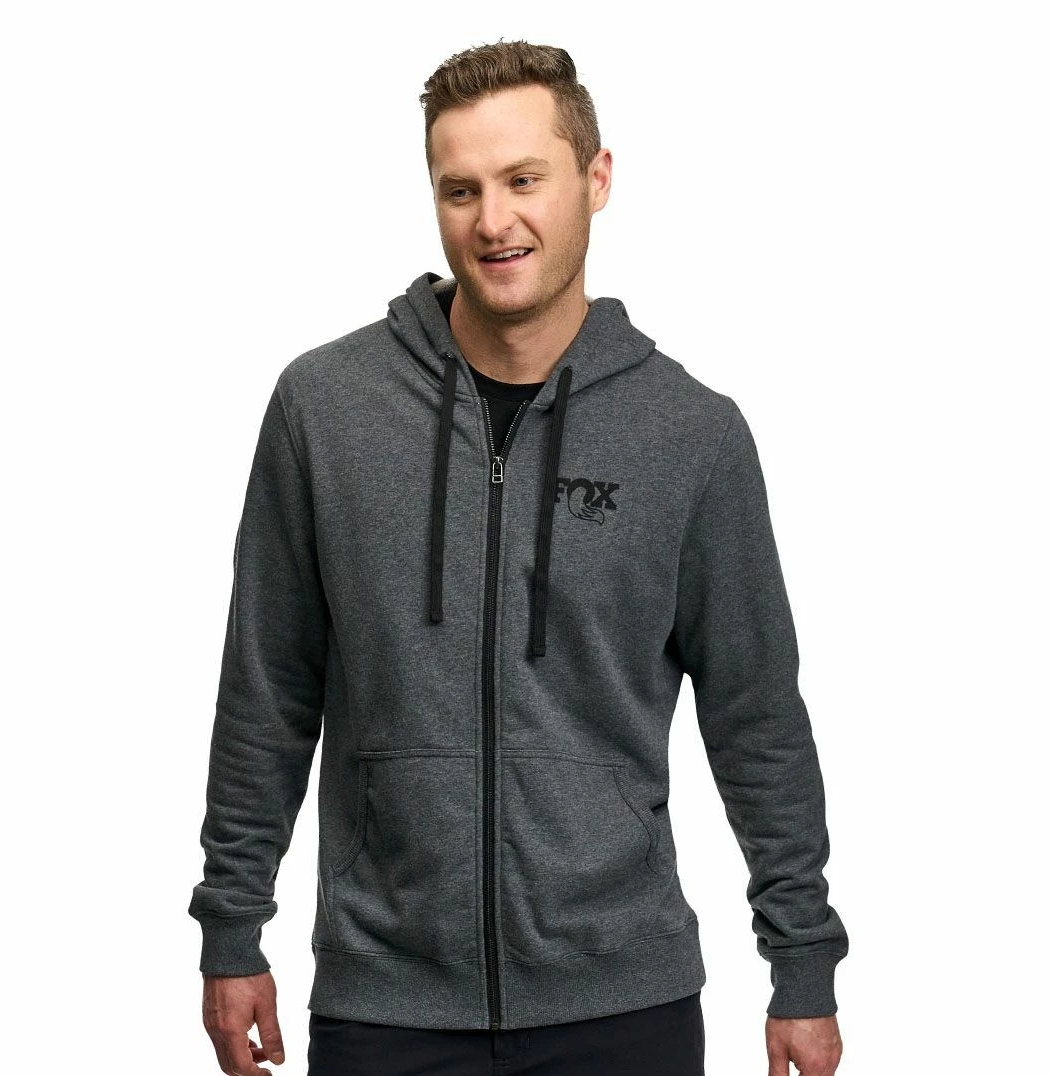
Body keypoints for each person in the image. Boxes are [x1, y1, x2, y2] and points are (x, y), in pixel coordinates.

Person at [188, 40, 849, 1076]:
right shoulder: (326, 409)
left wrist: (800, 962)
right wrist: (233, 927)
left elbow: (756, 716)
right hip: (385, 998)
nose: (492, 221)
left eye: (523, 180)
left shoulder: (690, 435)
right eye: (460, 190)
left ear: (596, 178)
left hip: (622, 999)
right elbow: (267, 689)